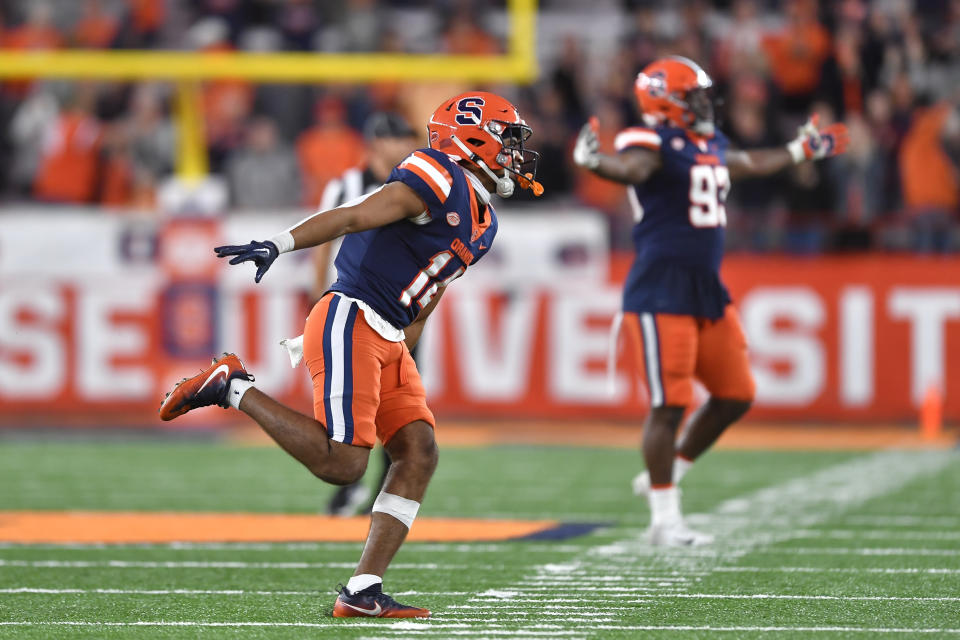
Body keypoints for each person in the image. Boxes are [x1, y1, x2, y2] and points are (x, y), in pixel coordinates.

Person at [159, 91, 542, 617]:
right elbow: (353, 217)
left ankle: (362, 589)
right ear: (471, 137)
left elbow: (432, 290)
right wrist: (279, 243)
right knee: (344, 465)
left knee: (419, 451)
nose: (515, 154)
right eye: (508, 140)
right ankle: (232, 386)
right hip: (354, 315)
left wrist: (406, 348)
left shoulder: (483, 220)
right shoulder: (438, 175)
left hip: (390, 334)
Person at [573, 56, 848, 546]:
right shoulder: (651, 140)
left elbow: (747, 163)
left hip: (706, 289)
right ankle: (664, 520)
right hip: (660, 290)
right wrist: (597, 164)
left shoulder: (709, 143)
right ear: (667, 101)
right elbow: (632, 168)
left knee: (736, 393)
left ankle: (669, 470)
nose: (705, 103)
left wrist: (797, 150)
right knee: (669, 405)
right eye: (694, 95)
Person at [316, 112, 420, 516]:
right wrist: (316, 296)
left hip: (397, 309)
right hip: (350, 304)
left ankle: (381, 489)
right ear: (377, 143)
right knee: (348, 401)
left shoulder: (415, 185)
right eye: (396, 139)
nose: (400, 147)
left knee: (398, 404)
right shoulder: (346, 186)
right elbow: (323, 242)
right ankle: (350, 485)